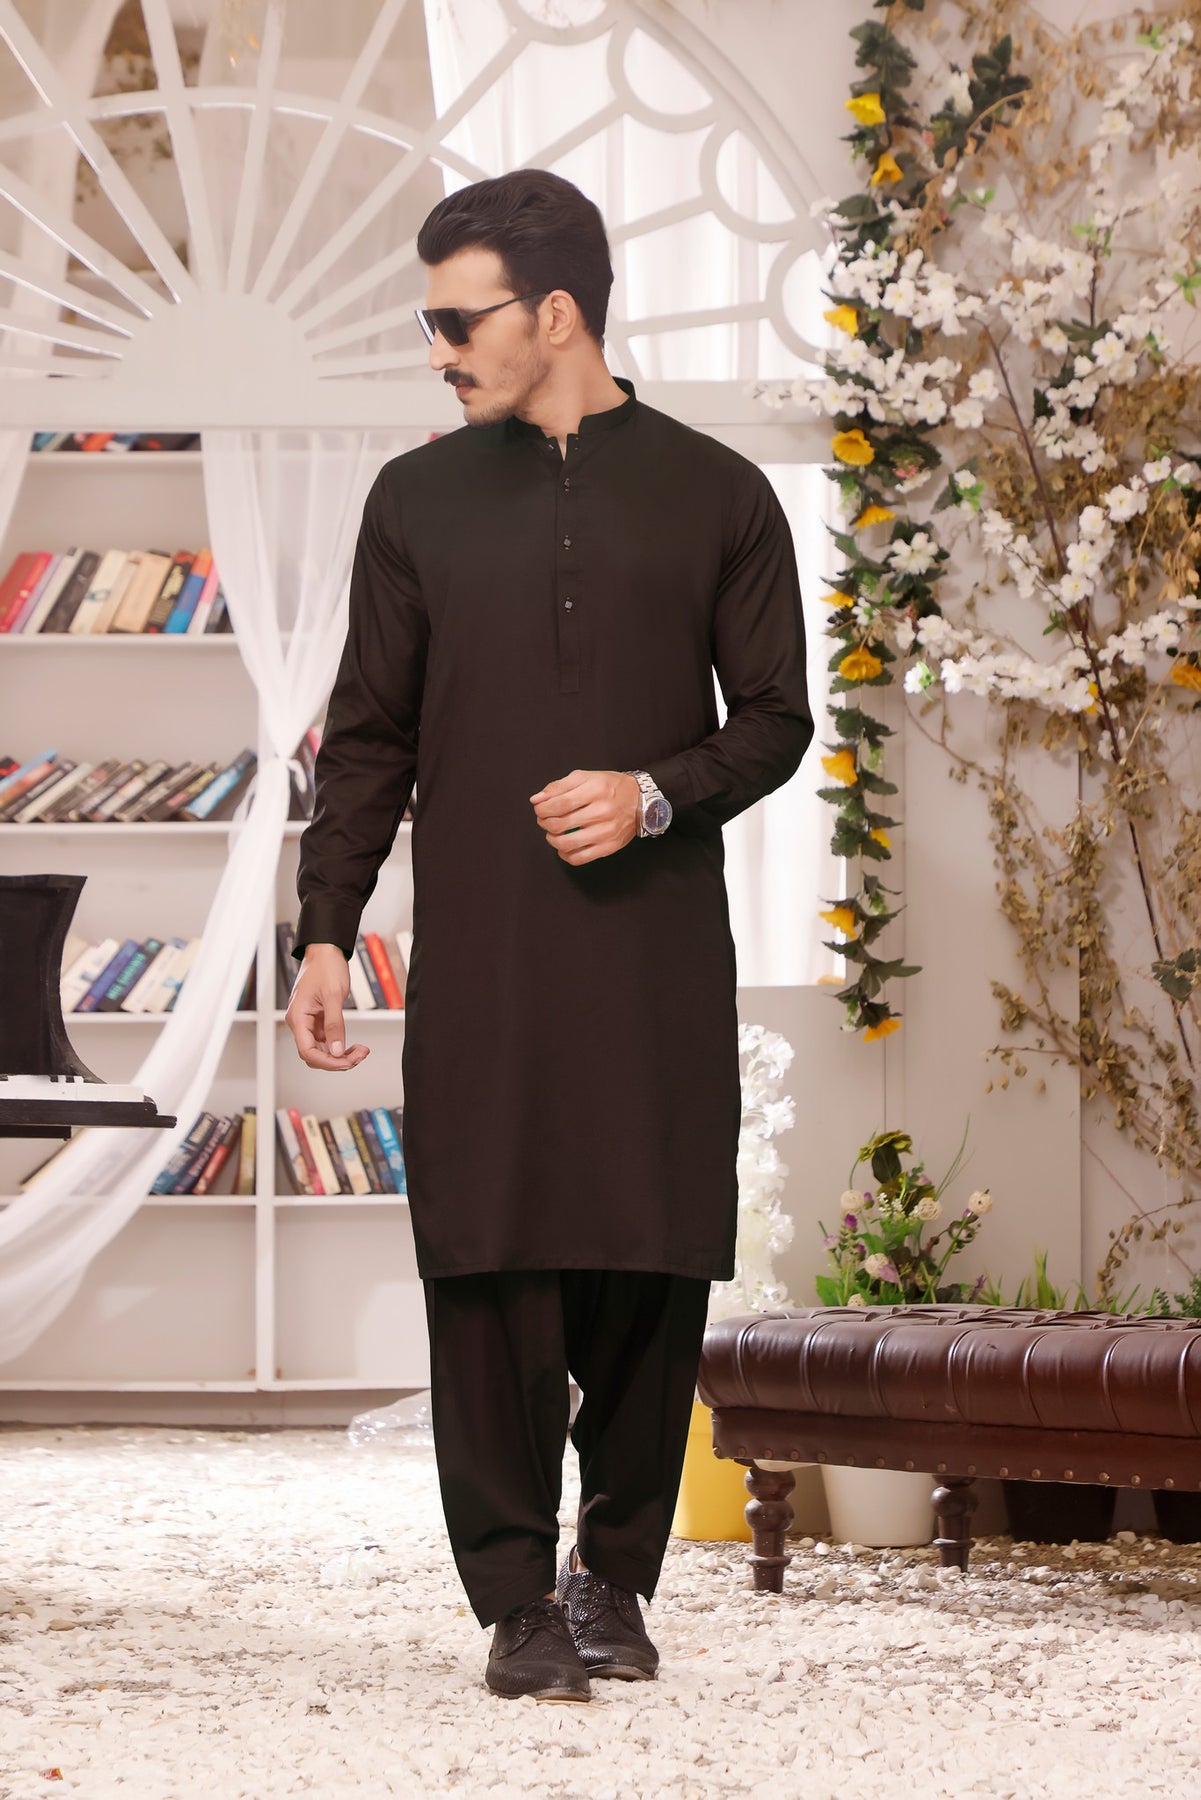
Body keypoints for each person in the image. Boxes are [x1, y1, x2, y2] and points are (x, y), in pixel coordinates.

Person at [285, 169, 812, 1704]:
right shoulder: (416, 502)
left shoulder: (719, 494)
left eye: (458, 321)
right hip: (488, 955)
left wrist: (653, 794)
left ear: (557, 313)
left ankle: (614, 1576)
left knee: (649, 1251)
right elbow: (368, 739)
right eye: (431, 323)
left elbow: (773, 719)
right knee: (487, 1257)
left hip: (651, 947)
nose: (438, 349)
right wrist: (325, 932)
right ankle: (514, 1598)